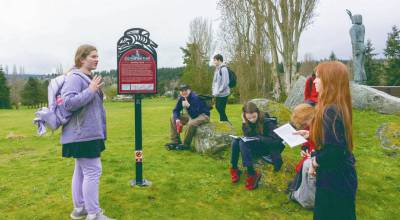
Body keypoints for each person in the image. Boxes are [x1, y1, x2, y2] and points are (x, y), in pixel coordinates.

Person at [295, 61, 357, 219]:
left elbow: (334, 151)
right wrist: (310, 135)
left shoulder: (330, 110)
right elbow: (337, 142)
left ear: (330, 81)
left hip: (334, 181)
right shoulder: (339, 106)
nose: (314, 81)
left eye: (318, 77)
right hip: (342, 176)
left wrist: (314, 162)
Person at [61, 44, 113, 220]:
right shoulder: (75, 78)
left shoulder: (86, 77)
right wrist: (90, 90)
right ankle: (94, 214)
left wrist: (92, 89)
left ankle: (80, 209)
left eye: (97, 56)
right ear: (81, 59)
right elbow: (68, 103)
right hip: (82, 135)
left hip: (85, 134)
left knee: (81, 171)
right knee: (93, 171)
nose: (97, 59)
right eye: (93, 56)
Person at [230, 102, 285, 190]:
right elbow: (247, 134)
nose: (251, 120)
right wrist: (244, 123)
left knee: (242, 142)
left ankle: (252, 173)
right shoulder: (247, 121)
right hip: (256, 145)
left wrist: (258, 137)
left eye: (254, 117)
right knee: (236, 141)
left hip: (267, 148)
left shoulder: (268, 122)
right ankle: (234, 168)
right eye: (248, 118)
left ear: (258, 113)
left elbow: (276, 142)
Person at [287, 103, 317, 209]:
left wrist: (312, 153)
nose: (304, 126)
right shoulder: (310, 124)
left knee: (304, 167)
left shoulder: (320, 125)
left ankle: (299, 191)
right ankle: (297, 187)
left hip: (317, 155)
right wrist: (304, 149)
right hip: (310, 152)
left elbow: (322, 142)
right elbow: (307, 140)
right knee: (301, 167)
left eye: (304, 124)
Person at [165, 84, 210, 150]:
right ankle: (175, 141)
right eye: (181, 91)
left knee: (191, 123)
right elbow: (175, 110)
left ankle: (185, 144)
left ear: (189, 90)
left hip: (203, 116)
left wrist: (188, 106)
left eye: (185, 90)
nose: (183, 92)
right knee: (173, 117)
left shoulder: (195, 97)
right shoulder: (182, 98)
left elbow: (195, 115)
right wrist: (177, 119)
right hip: (191, 115)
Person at [212, 54, 230, 122]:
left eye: (215, 60)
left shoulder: (224, 69)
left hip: (223, 93)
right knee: (219, 107)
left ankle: (226, 123)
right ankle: (224, 122)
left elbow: (225, 82)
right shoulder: (217, 69)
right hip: (218, 93)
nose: (214, 62)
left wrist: (219, 91)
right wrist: (214, 91)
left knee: (220, 108)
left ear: (219, 60)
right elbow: (215, 81)